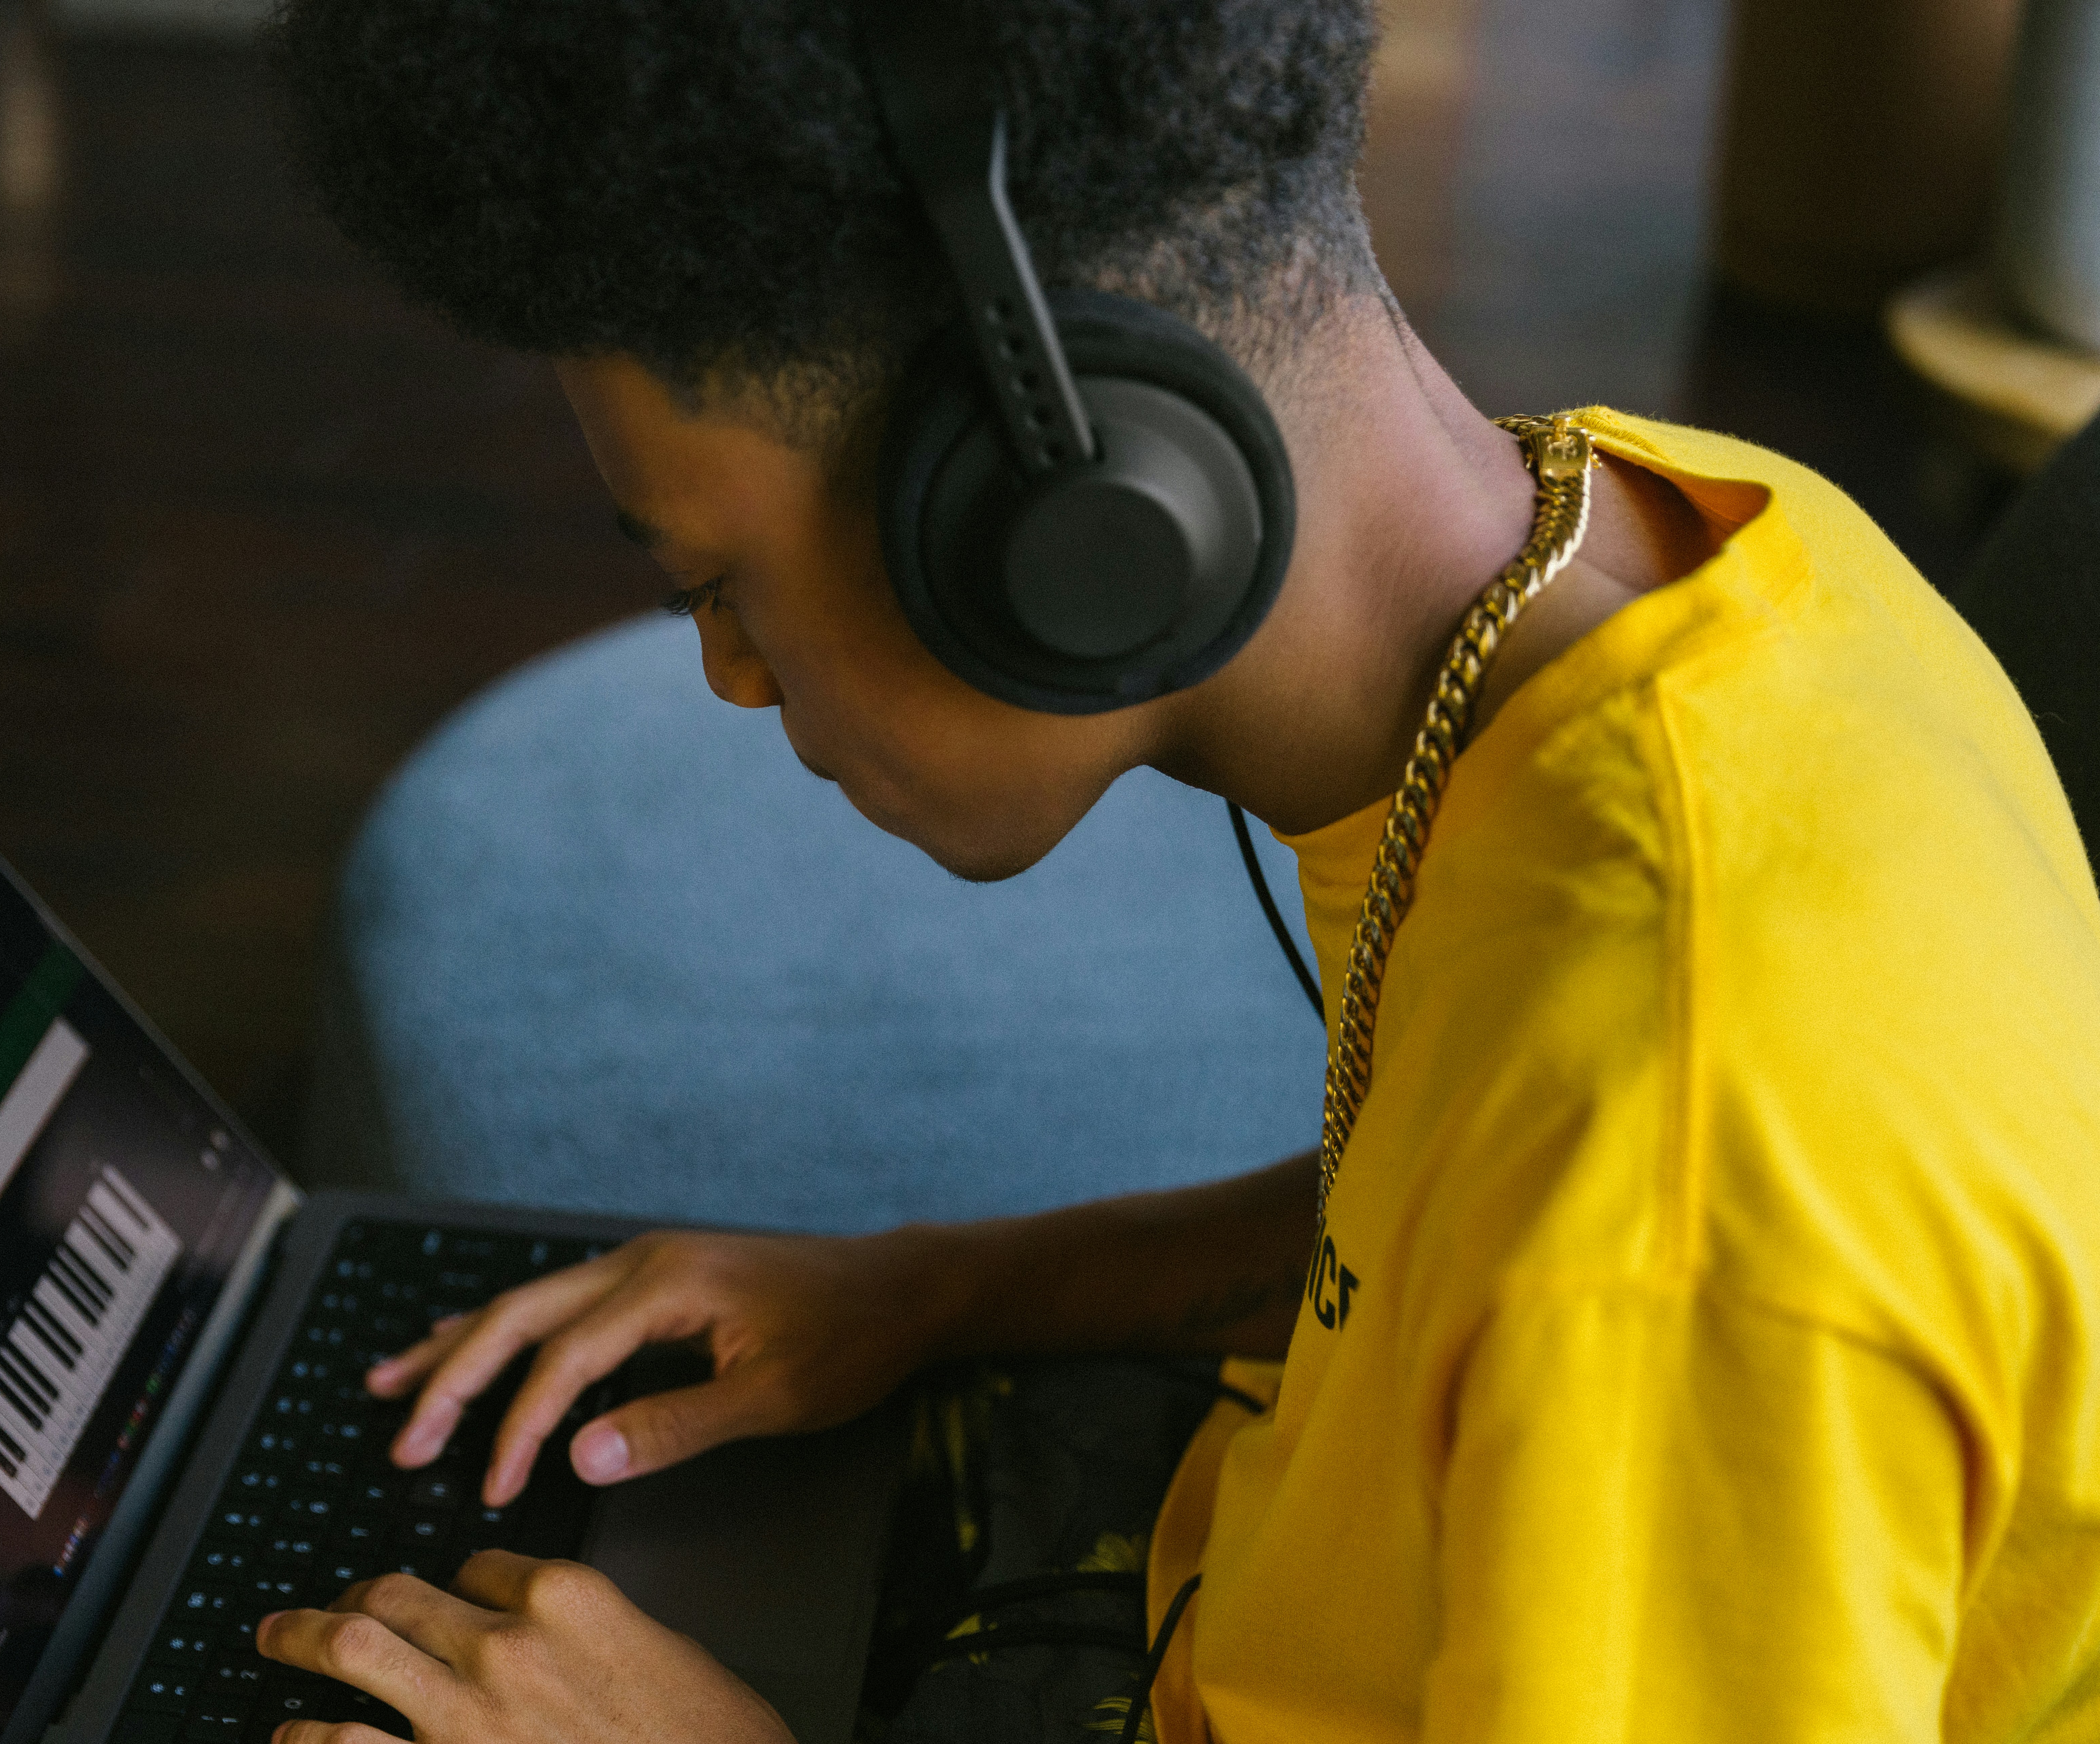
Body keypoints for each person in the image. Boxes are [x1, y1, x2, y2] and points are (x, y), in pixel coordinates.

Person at [255, 3, 2100, 1741]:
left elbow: (1608, 1231)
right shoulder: (1669, 554)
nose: (730, 677)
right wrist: (942, 1287)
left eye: (712, 583)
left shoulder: (1686, 1169)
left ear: (1052, 504)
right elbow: (1437, 1228)